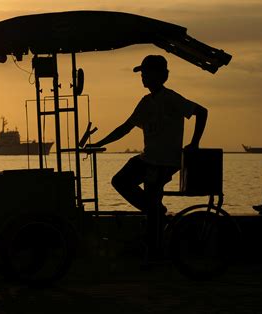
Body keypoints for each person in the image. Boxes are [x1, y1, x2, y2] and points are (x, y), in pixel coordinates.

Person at [87, 55, 208, 259]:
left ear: (161, 75)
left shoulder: (171, 98)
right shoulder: (145, 102)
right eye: (142, 73)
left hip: (165, 162)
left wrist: (195, 143)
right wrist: (99, 143)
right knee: (121, 181)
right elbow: (125, 127)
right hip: (148, 159)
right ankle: (158, 216)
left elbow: (202, 112)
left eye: (146, 73)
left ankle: (154, 248)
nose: (142, 76)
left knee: (151, 199)